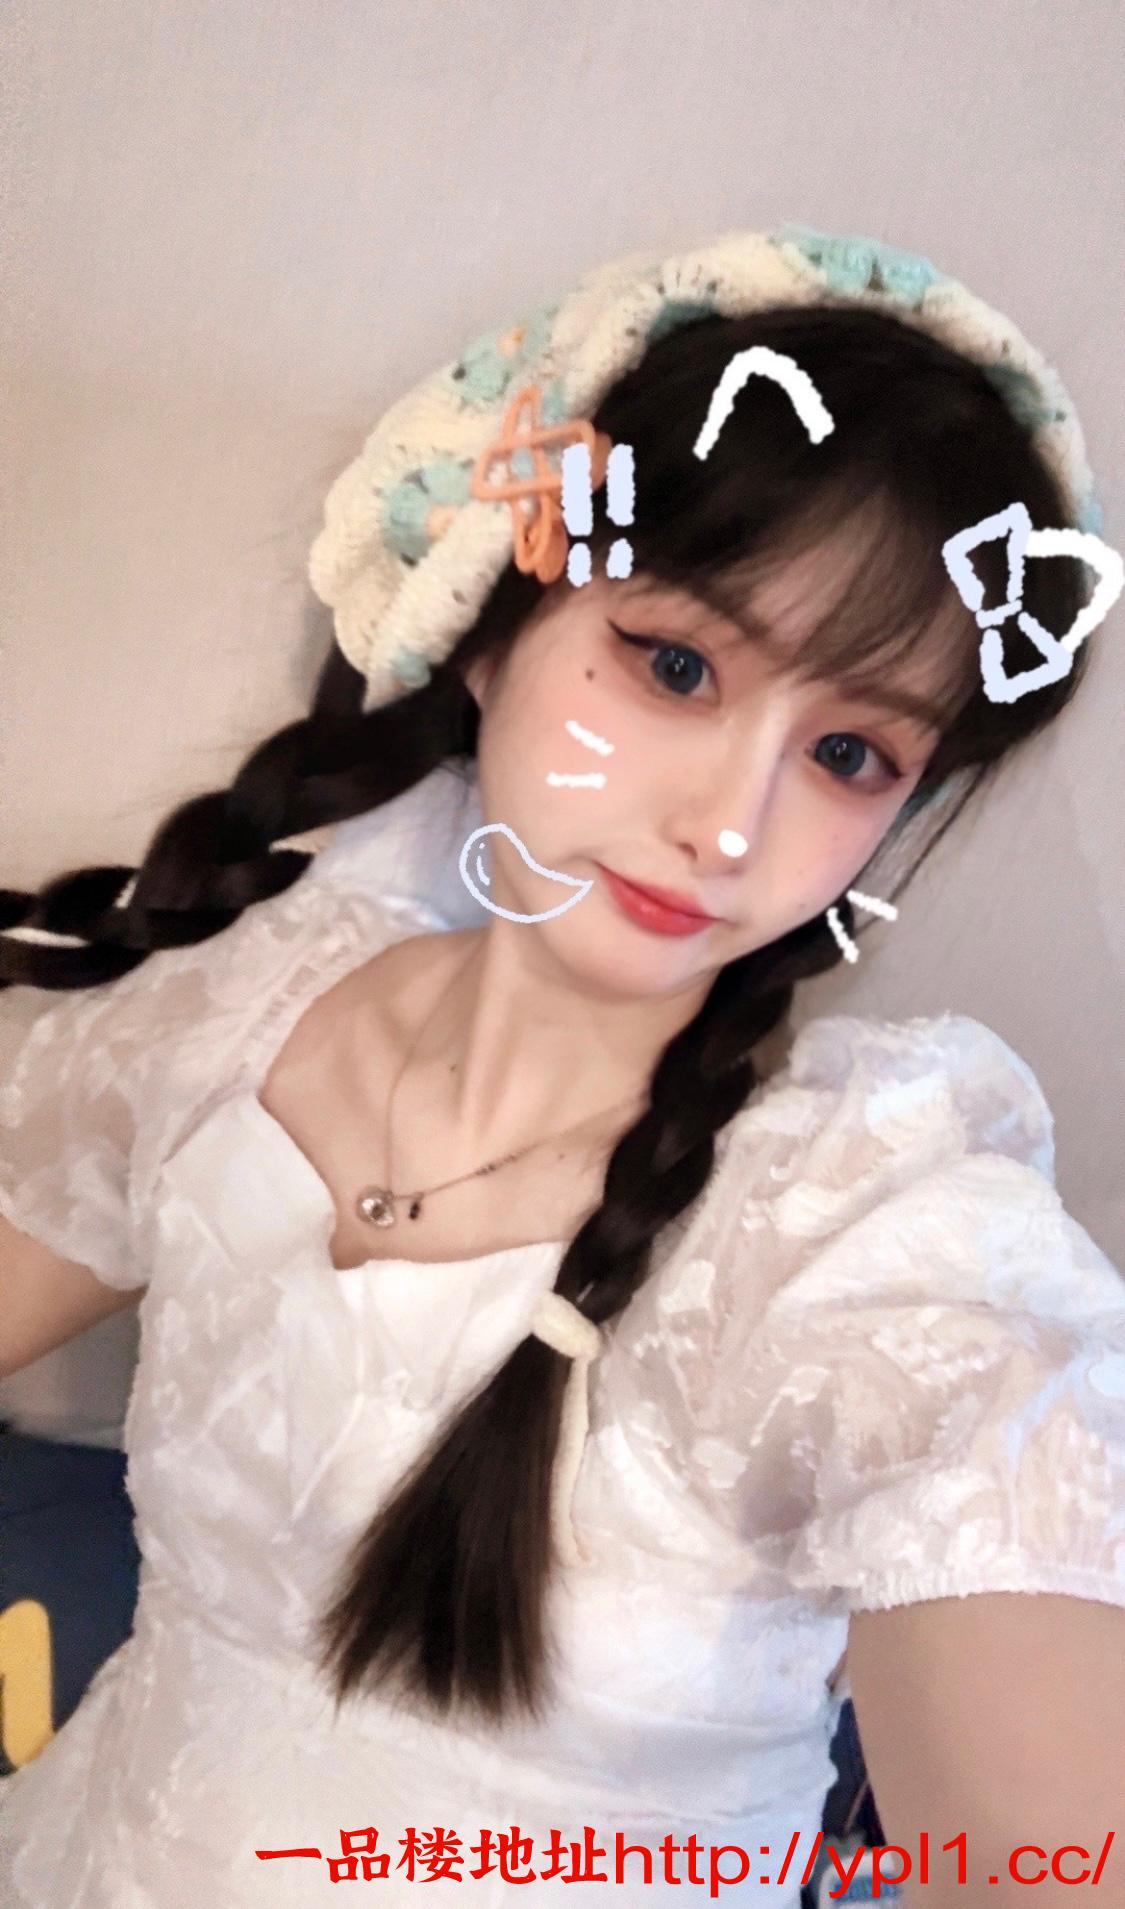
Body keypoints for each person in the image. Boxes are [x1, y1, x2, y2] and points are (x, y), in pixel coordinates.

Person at [1, 222, 1123, 1907]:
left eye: (848, 751)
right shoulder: (230, 1017)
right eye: (675, 665)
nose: (729, 825)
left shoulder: (859, 1229)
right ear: (488, 620)